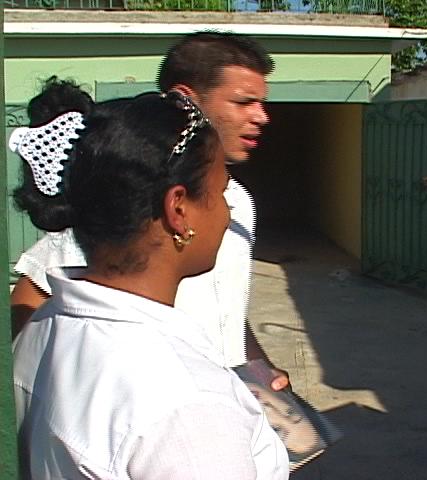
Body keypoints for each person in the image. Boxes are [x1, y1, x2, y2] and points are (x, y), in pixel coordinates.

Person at [12, 88, 289, 478]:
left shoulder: (42, 328)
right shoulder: (186, 406)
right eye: (220, 191)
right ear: (178, 209)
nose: (227, 212)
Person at [10, 33, 289, 391]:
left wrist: (260, 366)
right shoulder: (129, 198)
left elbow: (228, 308)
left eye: (262, 103)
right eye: (243, 102)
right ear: (186, 100)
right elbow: (30, 297)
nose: (262, 116)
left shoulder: (239, 202)